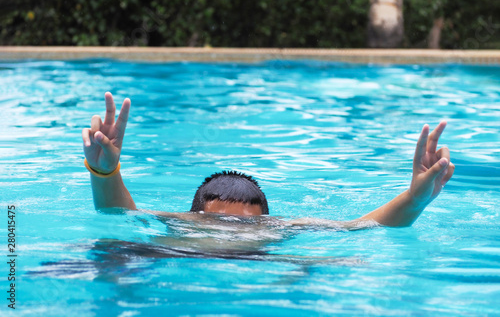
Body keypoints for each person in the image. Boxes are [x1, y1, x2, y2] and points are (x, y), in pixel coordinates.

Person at [82, 92, 455, 229]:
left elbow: (363, 225)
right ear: (192, 220)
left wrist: (416, 199)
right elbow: (119, 218)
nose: (233, 234)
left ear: (267, 225)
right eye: (221, 222)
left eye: (246, 226)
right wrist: (104, 170)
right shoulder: (175, 230)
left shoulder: (281, 231)